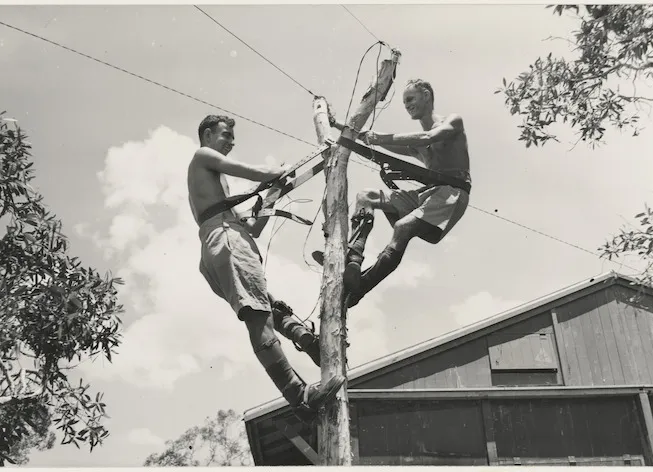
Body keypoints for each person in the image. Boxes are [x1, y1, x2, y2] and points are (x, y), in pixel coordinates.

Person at [188, 114, 345, 421]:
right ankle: (299, 397)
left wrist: (270, 198)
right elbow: (255, 172)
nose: (231, 142)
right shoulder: (203, 156)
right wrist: (276, 172)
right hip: (226, 241)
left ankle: (306, 340)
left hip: (223, 244)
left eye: (233, 137)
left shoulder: (216, 189)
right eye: (225, 135)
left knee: (268, 307)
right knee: (259, 317)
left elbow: (253, 228)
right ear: (206, 135)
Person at [339, 79, 472, 307]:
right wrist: (357, 134)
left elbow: (428, 137)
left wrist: (379, 138)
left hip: (451, 193)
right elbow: (391, 144)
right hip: (428, 194)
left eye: (410, 99)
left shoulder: (452, 121)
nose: (407, 105)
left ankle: (362, 286)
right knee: (366, 197)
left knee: (402, 228)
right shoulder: (417, 145)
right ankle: (354, 260)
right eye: (404, 102)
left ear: (427, 95)